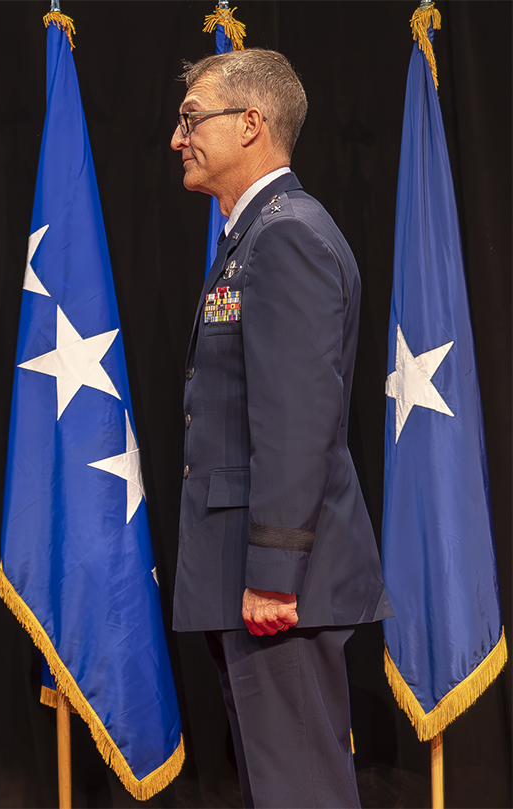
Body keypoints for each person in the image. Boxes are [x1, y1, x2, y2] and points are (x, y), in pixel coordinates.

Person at [169, 50, 392, 807]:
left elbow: (298, 418)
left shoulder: (286, 234)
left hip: (275, 583)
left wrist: (272, 570)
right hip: (254, 573)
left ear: (252, 124)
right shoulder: (253, 234)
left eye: (192, 118)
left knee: (300, 791)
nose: (178, 137)